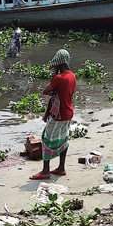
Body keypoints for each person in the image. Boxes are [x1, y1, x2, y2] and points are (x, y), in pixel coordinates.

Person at [30, 50, 76, 180]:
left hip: (59, 114)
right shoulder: (72, 76)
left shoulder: (59, 78)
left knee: (47, 140)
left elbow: (46, 91)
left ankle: (45, 171)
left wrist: (54, 80)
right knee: (63, 139)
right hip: (68, 112)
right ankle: (61, 167)